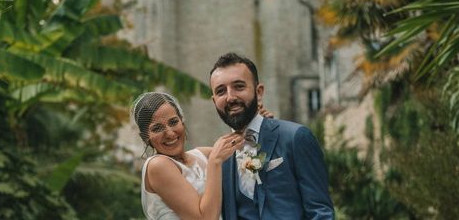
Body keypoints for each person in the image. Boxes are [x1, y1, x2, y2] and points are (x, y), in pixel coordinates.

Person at [209, 52, 335, 219]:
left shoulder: (295, 137)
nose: (230, 97)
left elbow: (321, 212)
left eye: (239, 86)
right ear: (214, 101)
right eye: (221, 91)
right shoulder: (220, 159)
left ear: (259, 92)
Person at [132, 91, 244, 219]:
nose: (169, 133)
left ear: (182, 121)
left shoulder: (203, 154)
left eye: (173, 122)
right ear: (145, 137)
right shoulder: (157, 165)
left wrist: (259, 121)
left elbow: (247, 153)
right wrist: (214, 162)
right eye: (157, 128)